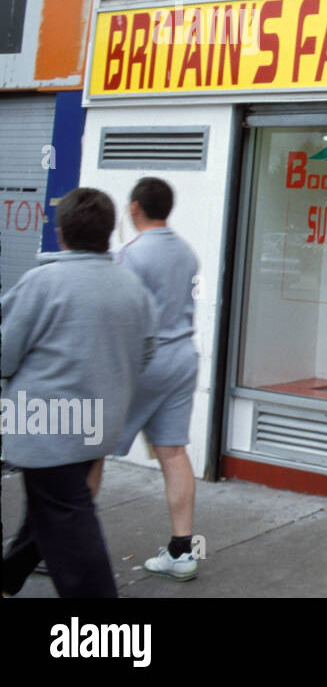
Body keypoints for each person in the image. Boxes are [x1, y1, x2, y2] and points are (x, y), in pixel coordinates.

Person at [1, 187, 157, 598]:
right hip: (98, 423)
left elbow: (4, 355)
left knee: (69, 522)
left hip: (45, 426)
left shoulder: (42, 282)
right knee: (51, 506)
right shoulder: (132, 287)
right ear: (109, 232)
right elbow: (145, 352)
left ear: (61, 232)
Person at [105, 176, 202, 581]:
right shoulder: (187, 252)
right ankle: (182, 552)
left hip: (145, 363)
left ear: (133, 208)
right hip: (183, 358)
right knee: (173, 452)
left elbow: (118, 314)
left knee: (93, 447)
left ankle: (59, 543)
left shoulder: (131, 254)